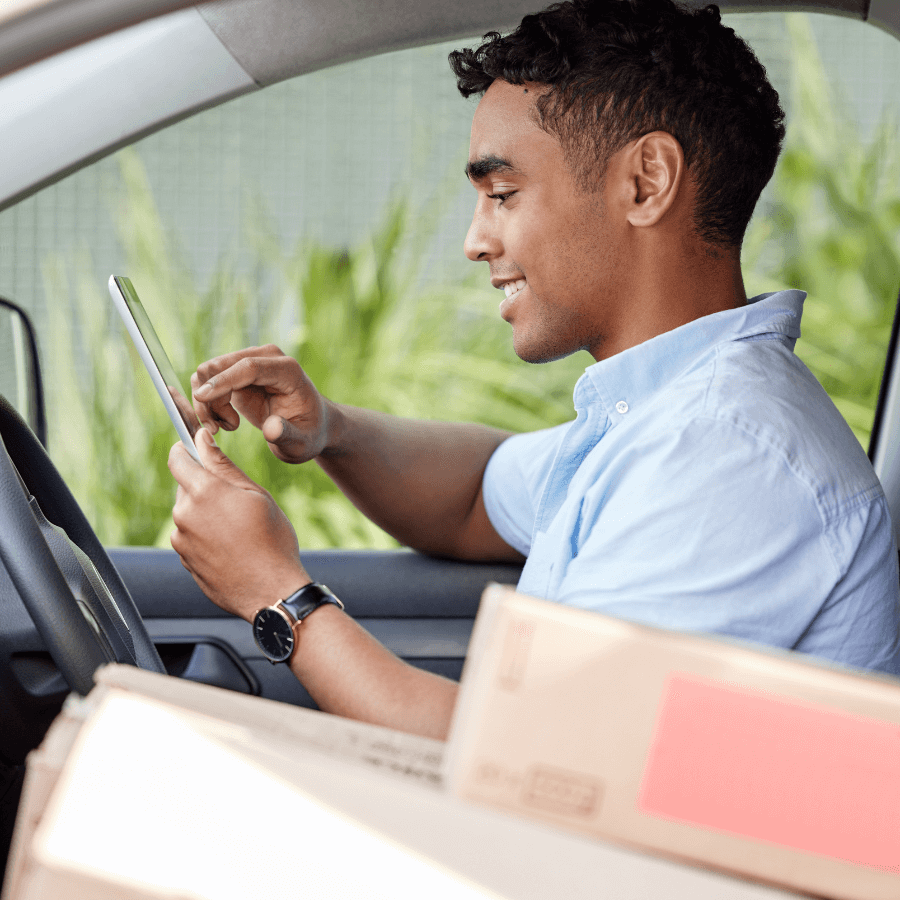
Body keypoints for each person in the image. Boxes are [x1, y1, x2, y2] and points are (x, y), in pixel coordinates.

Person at [167, 0, 900, 740]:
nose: (474, 240)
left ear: (646, 182)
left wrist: (278, 595)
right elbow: (473, 497)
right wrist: (331, 430)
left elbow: (532, 764)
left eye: (502, 194)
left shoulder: (726, 452)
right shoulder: (664, 412)